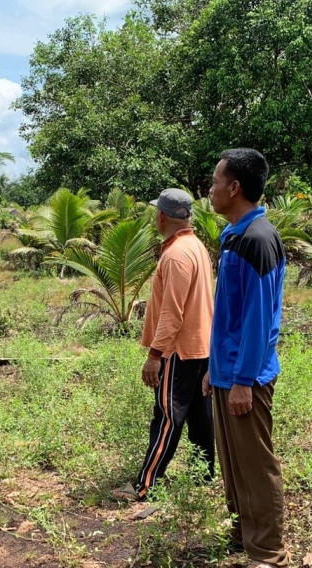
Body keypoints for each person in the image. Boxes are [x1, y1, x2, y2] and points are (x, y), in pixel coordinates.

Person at [203, 149, 290, 568]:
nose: (211, 188)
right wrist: (214, 369)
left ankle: (269, 553)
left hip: (246, 375)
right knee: (234, 463)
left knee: (255, 464)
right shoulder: (236, 234)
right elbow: (229, 316)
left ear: (234, 187)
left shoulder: (256, 238)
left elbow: (258, 321)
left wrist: (242, 380)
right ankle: (243, 534)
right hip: (227, 371)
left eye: (215, 181)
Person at [112, 189, 215, 502]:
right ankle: (204, 477)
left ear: (162, 217)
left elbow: (173, 312)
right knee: (200, 416)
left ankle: (146, 484)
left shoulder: (176, 255)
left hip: (179, 350)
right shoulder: (196, 246)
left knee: (168, 415)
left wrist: (155, 355)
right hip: (201, 346)